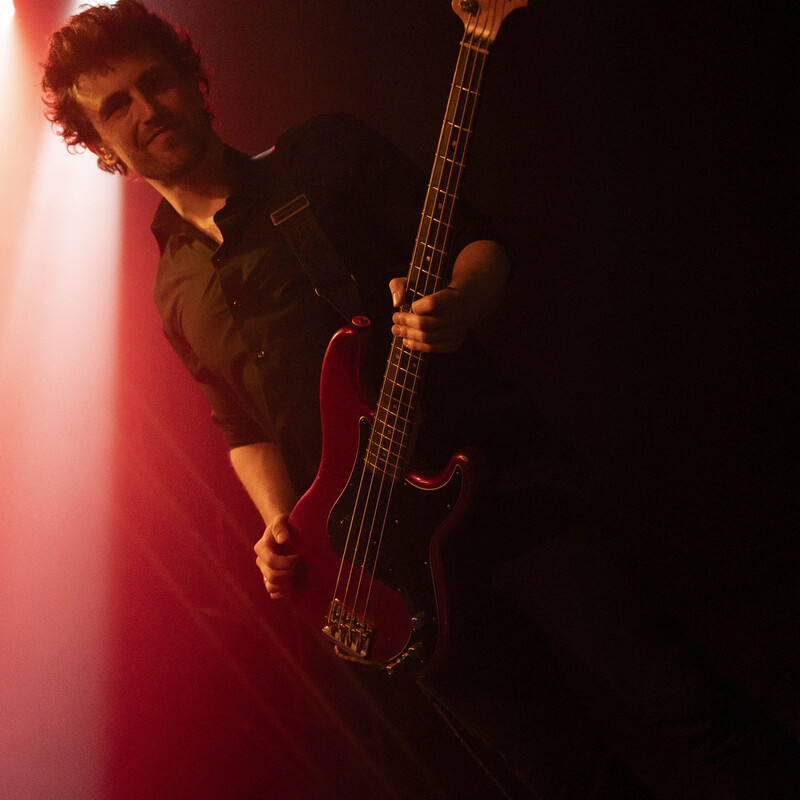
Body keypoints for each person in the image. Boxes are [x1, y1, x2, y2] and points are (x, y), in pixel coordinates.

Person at [42, 3, 799, 798]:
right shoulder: (173, 288)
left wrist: (459, 306)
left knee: (686, 707)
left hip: (505, 490)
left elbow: (477, 242)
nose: (147, 109)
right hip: (392, 570)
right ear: (100, 146)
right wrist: (280, 523)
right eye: (116, 105)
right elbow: (239, 425)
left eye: (155, 82)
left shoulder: (322, 155)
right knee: (561, 778)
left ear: (195, 83)